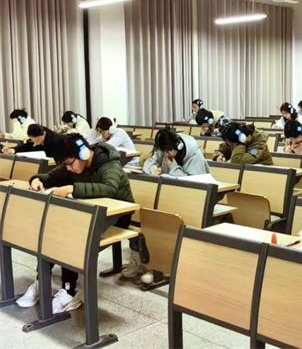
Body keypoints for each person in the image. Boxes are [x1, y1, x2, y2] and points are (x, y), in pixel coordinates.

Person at [18, 135, 136, 312]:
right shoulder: (72, 163)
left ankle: (69, 292)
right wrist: (36, 180)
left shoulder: (109, 164)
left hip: (118, 215)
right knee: (51, 231)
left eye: (69, 163)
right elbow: (50, 176)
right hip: (91, 211)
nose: (68, 168)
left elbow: (110, 188)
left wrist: (72, 189)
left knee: (70, 235)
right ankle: (41, 281)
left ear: (83, 153)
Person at [143, 128, 209, 176]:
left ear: (178, 146)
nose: (166, 155)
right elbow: (149, 162)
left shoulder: (195, 156)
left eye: (168, 151)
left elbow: (190, 183)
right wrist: (153, 169)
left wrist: (172, 166)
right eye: (163, 152)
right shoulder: (165, 148)